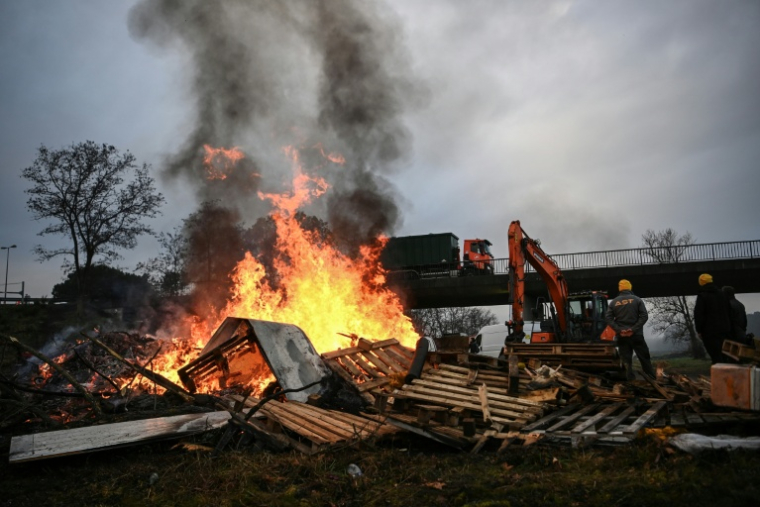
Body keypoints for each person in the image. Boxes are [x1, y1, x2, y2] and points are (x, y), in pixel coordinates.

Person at [605, 279, 656, 380]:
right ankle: (651, 379)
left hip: (622, 337)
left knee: (625, 361)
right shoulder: (637, 300)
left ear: (620, 289)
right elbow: (644, 316)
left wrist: (619, 330)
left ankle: (629, 383)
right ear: (629, 287)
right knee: (644, 358)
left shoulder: (613, 302)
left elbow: (608, 318)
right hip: (637, 335)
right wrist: (633, 329)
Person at [693, 273, 732, 364]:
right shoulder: (723, 294)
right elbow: (729, 310)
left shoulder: (702, 296)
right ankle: (727, 372)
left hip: (709, 331)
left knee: (715, 355)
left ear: (701, 283)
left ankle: (719, 373)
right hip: (724, 330)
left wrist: (699, 330)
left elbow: (699, 314)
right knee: (724, 354)